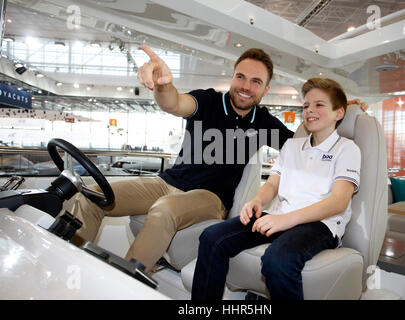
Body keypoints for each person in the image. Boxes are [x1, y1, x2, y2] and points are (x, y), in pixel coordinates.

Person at [69, 46, 294, 272]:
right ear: (233, 77)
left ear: (266, 89)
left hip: (211, 198)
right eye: (241, 77)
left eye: (256, 81)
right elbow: (174, 103)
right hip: (167, 182)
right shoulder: (208, 101)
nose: (246, 86)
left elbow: (302, 147)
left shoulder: (264, 123)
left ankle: (126, 281)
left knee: (164, 209)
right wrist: (164, 86)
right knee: (91, 195)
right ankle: (71, 272)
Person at [191, 78, 361, 300]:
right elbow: (272, 184)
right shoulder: (291, 146)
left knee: (277, 259)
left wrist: (288, 219)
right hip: (280, 216)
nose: (310, 111)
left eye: (319, 105)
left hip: (320, 224)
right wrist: (257, 202)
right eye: (306, 106)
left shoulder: (347, 148)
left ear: (339, 113)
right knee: (212, 237)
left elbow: (338, 201)